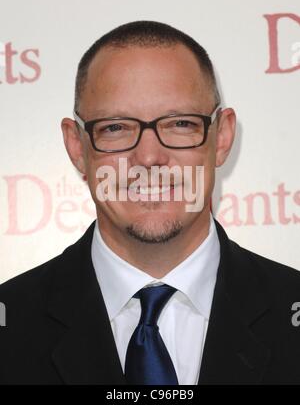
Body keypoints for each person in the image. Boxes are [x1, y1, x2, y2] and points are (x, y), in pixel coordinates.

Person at [0, 20, 300, 386]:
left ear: (221, 138)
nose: (149, 157)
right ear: (77, 147)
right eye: (115, 127)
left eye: (180, 124)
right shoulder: (10, 325)